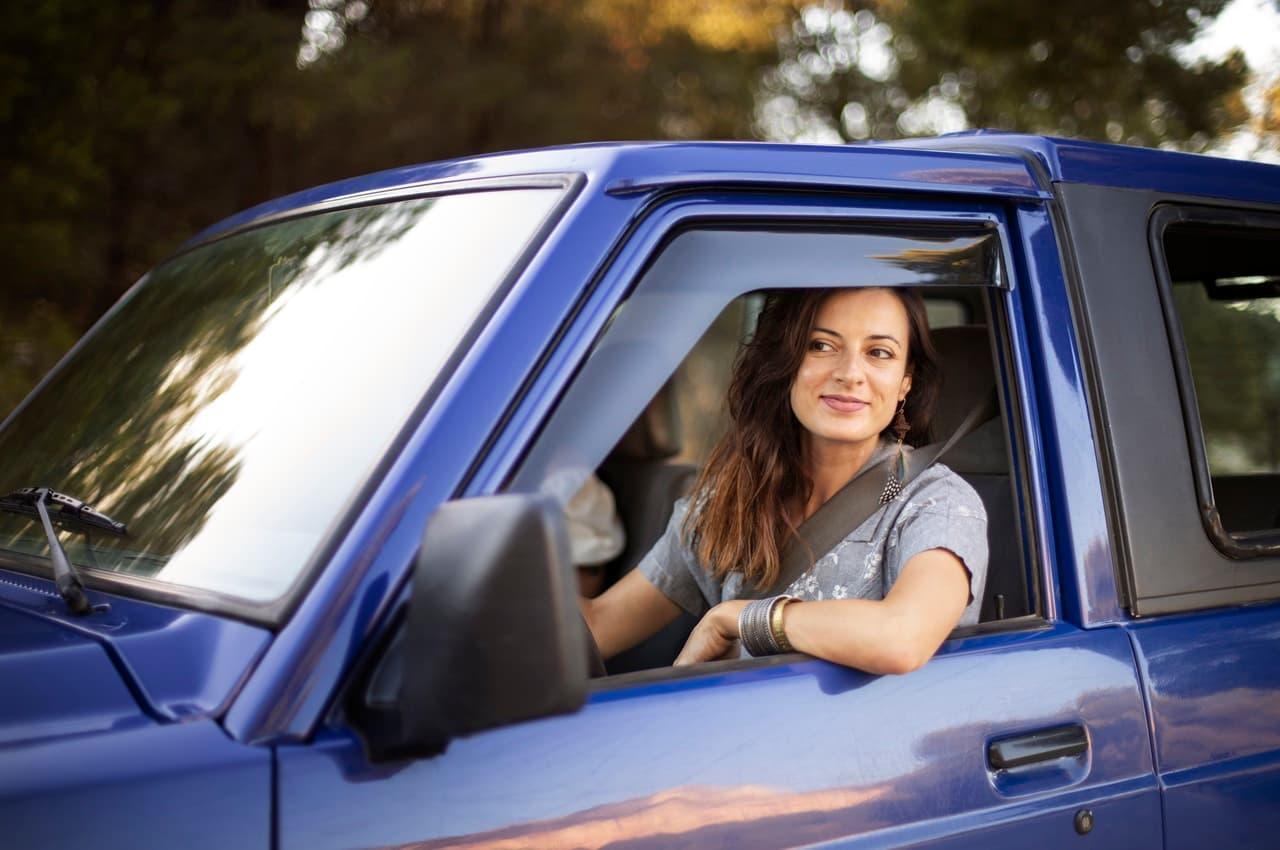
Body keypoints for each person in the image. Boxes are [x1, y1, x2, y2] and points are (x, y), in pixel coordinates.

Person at [580, 287, 988, 674]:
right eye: (821, 345)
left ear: (905, 383)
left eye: (879, 353)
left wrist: (739, 617)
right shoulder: (733, 495)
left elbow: (903, 637)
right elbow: (598, 625)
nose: (850, 373)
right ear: (787, 363)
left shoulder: (935, 503)